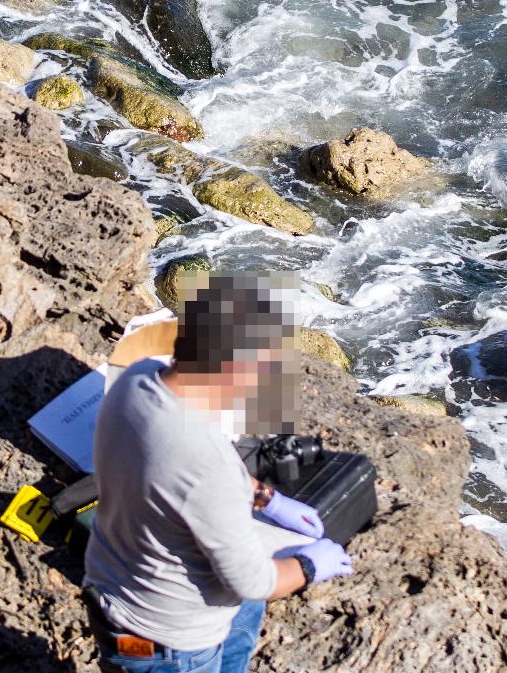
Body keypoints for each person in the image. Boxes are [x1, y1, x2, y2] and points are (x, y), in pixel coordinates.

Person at [83, 275, 355, 672]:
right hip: (169, 642)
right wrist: (312, 565)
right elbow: (254, 582)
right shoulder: (208, 465)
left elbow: (179, 476)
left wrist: (266, 498)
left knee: (242, 617)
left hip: (113, 584)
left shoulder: (136, 379)